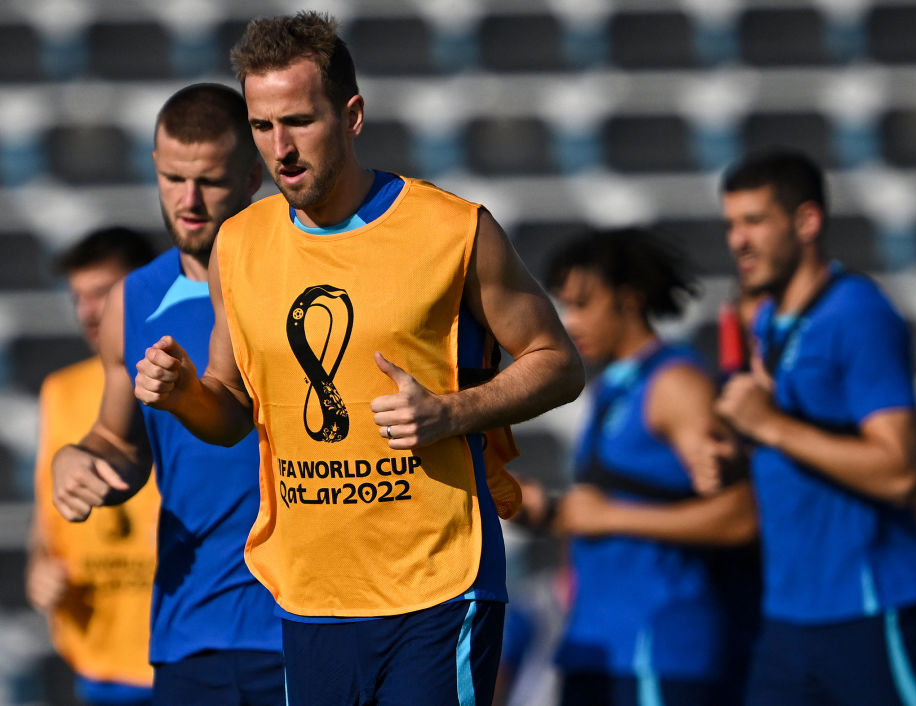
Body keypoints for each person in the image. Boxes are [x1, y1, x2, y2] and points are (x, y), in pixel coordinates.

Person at [131, 11, 584, 706]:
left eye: (299, 121)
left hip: (437, 585)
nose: (281, 148)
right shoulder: (239, 244)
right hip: (310, 594)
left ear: (352, 116)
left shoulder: (453, 229)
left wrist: (452, 412)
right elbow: (232, 410)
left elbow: (558, 361)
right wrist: (184, 394)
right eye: (262, 127)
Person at [50, 83, 285, 706]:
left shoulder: (297, 279)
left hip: (303, 617)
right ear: (155, 166)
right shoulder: (133, 299)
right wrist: (78, 461)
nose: (189, 201)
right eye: (174, 178)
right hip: (188, 627)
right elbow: (118, 443)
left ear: (252, 176)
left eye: (209, 181)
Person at [715, 149, 916, 705]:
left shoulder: (857, 313)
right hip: (787, 617)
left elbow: (897, 471)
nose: (737, 241)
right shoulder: (770, 320)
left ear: (807, 222)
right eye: (730, 225)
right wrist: (735, 460)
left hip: (870, 609)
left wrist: (769, 426)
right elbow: (792, 444)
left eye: (754, 221)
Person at [526, 228, 759, 706]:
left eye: (584, 304)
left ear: (629, 298)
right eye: (565, 306)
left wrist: (610, 517)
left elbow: (739, 516)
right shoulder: (612, 386)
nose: (572, 322)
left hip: (657, 647)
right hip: (597, 646)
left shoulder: (675, 384)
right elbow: (619, 503)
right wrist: (548, 513)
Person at [27, 227, 158, 706]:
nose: (87, 311)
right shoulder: (60, 390)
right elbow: (46, 514)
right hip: (97, 653)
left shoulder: (194, 380)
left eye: (102, 293)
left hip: (186, 649)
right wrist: (39, 567)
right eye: (78, 297)